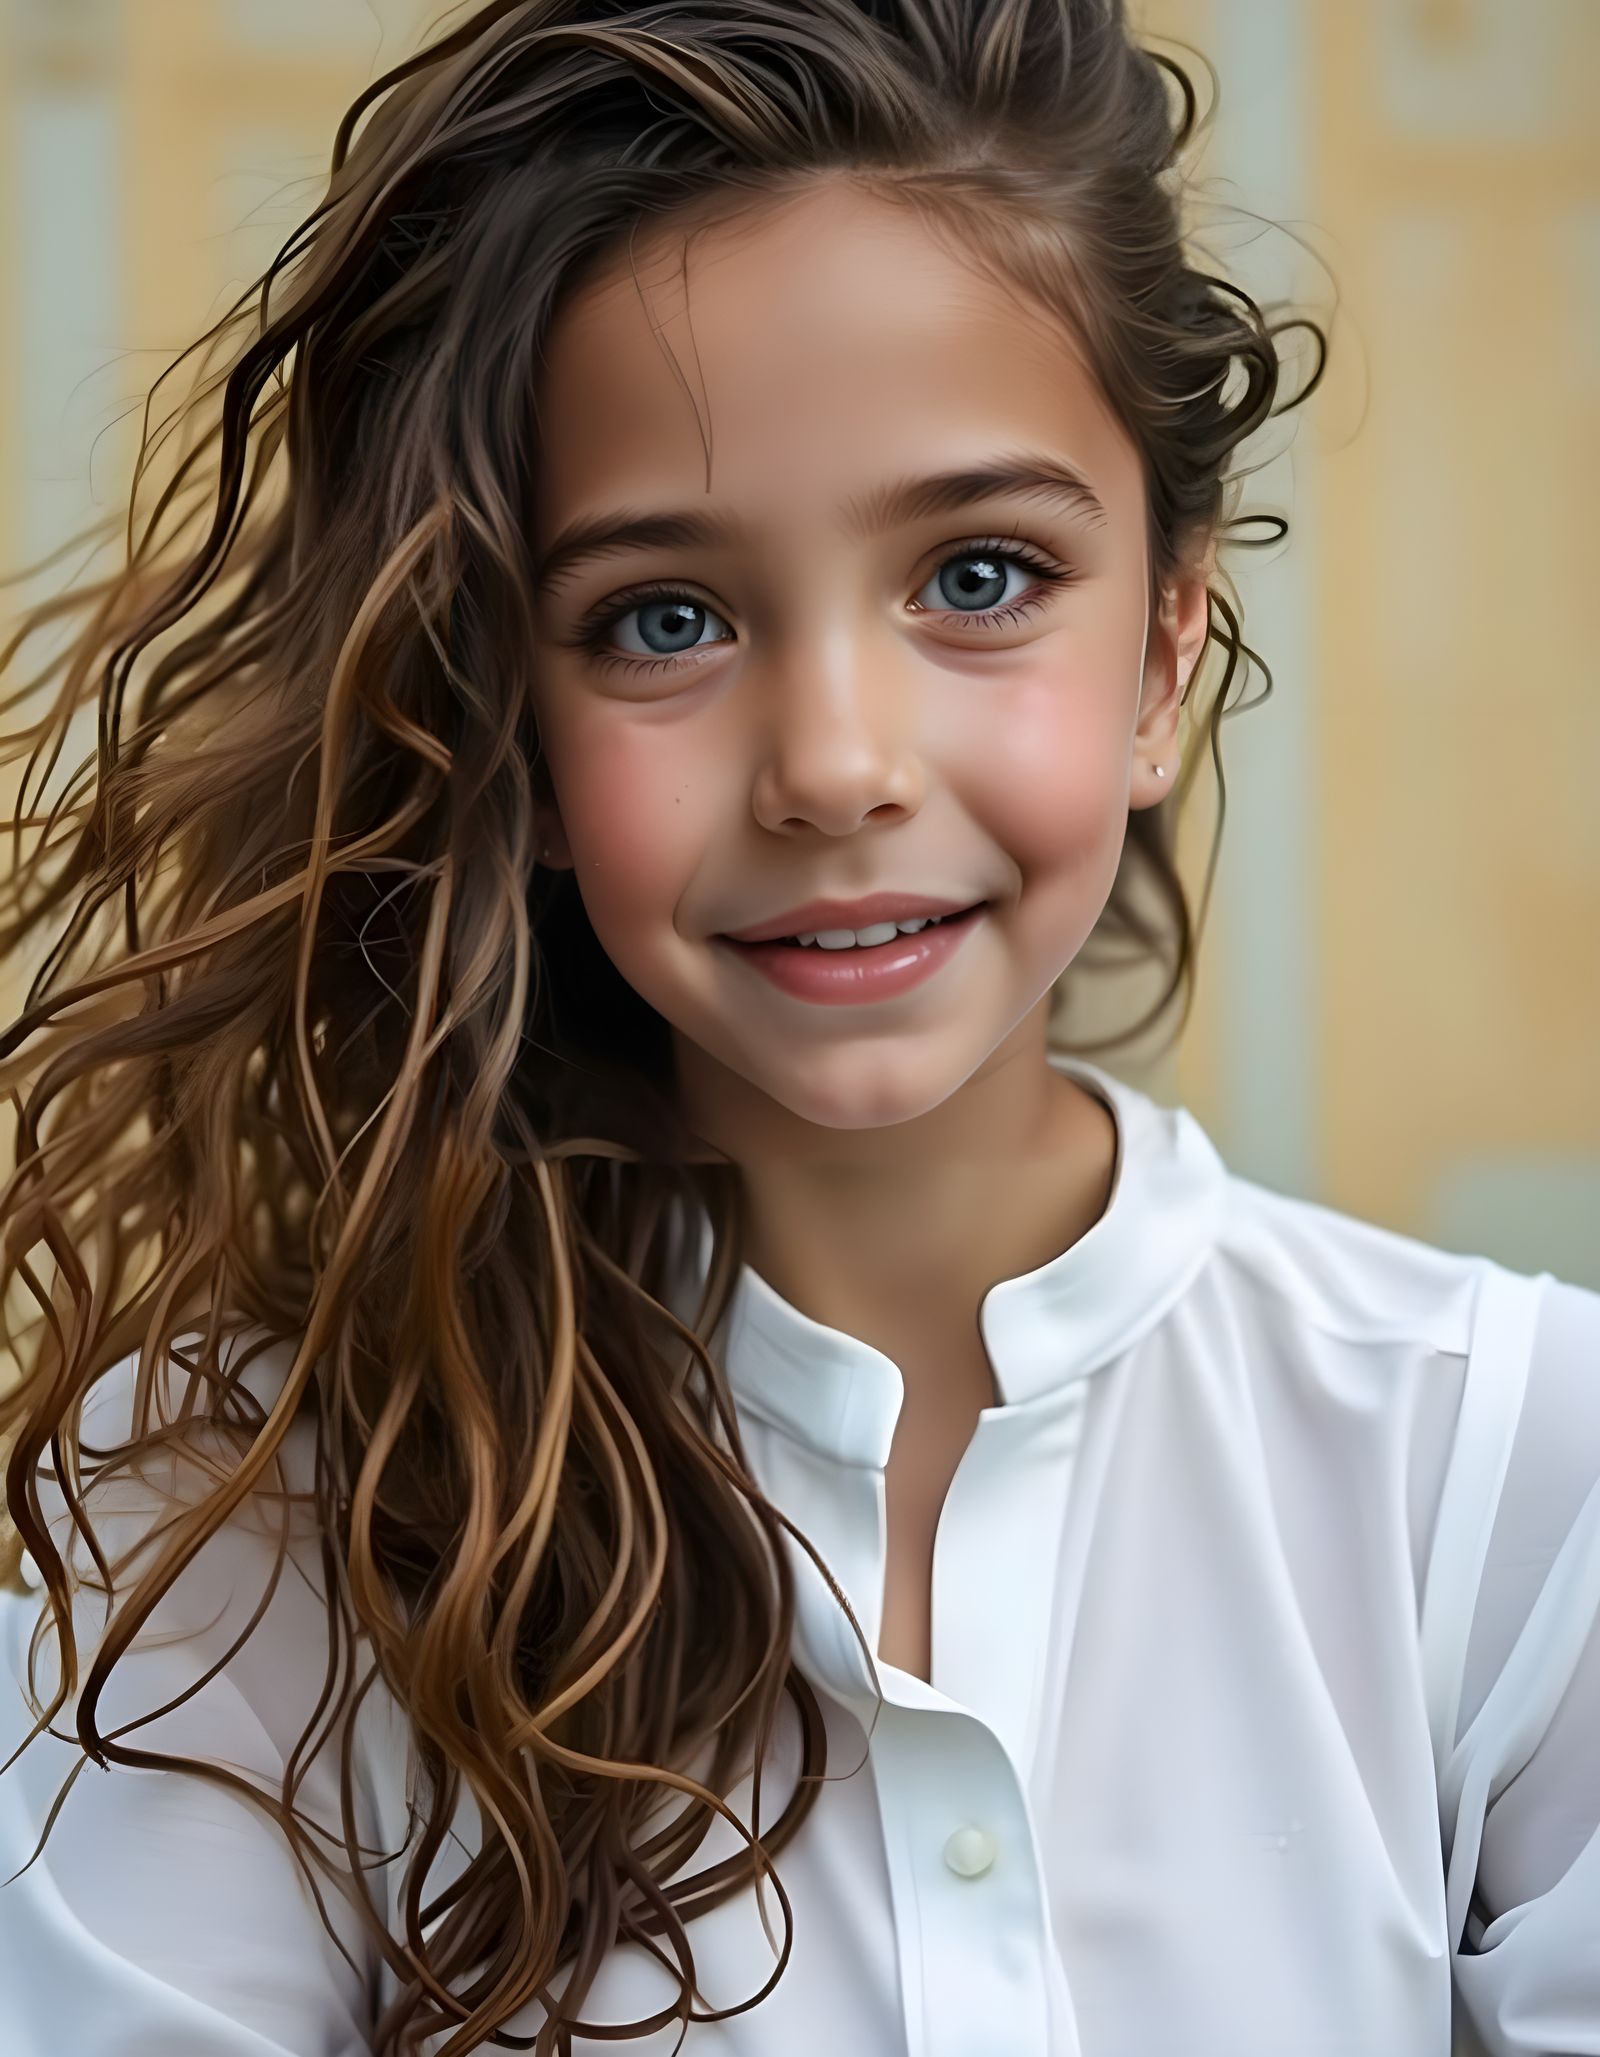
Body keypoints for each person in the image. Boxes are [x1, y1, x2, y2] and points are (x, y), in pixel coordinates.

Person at [0, 2, 1595, 2052]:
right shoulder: (224, 1536)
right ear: (502, 720)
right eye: (663, 617)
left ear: (1161, 657)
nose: (833, 765)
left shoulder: (1507, 1483)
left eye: (981, 574)